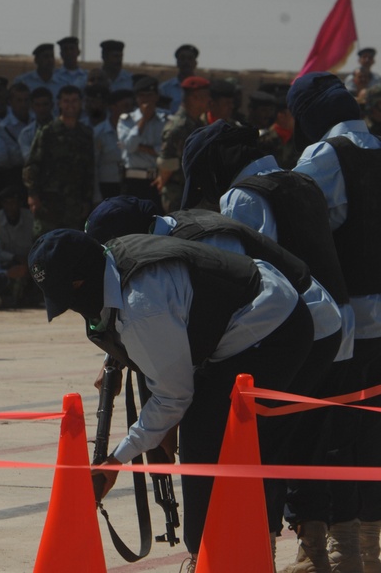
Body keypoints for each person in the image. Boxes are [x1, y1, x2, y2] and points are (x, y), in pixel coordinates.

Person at [28, 227, 312, 570]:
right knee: (203, 430)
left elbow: (174, 396)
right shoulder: (110, 260)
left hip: (272, 324)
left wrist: (117, 459)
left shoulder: (141, 309)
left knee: (207, 439)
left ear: (80, 282)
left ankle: (209, 558)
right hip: (254, 304)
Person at [177, 121, 351, 568]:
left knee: (263, 445)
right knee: (312, 443)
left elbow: (250, 274)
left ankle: (260, 550)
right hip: (337, 328)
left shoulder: (244, 196)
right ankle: (321, 552)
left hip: (292, 335)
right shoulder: (301, 180)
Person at [289, 72, 381, 570]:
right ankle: (370, 552)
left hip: (344, 329)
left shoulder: (322, 158)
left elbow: (303, 235)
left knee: (327, 438)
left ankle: (324, 553)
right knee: (373, 439)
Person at [22, 84, 95, 237]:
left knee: (70, 243)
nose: (70, 105)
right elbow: (32, 165)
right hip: (48, 202)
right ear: (59, 104)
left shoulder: (85, 134)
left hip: (74, 203)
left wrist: (87, 200)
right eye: (66, 101)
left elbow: (89, 169)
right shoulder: (48, 131)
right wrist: (32, 194)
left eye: (74, 101)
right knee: (44, 244)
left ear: (81, 103)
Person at [154, 75, 210, 212]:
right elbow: (167, 163)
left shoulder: (198, 122)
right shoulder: (178, 127)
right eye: (206, 96)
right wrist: (163, 180)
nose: (209, 100)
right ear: (194, 97)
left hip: (193, 192)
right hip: (178, 194)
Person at [117, 76, 166, 207]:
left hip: (155, 180)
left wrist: (142, 148)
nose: (146, 100)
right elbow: (130, 146)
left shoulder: (165, 120)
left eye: (149, 95)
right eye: (142, 96)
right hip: (131, 181)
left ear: (156, 96)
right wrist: (143, 119)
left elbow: (164, 150)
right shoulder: (127, 120)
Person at [158, 44, 200, 112]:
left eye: (190, 58)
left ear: (195, 63)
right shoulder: (165, 89)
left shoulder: (203, 88)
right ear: (177, 63)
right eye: (182, 58)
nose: (186, 62)